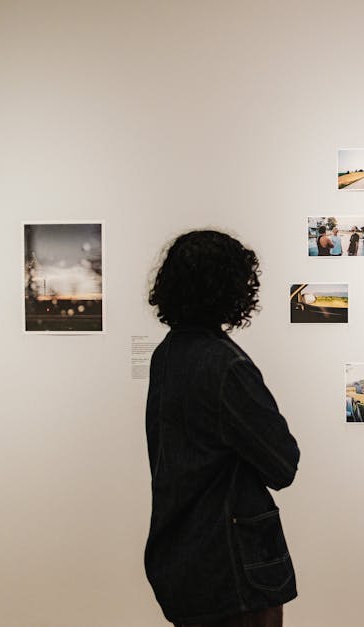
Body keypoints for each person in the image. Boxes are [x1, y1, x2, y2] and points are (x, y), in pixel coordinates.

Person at [146, 230, 300, 627]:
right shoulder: (226, 366)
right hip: (233, 569)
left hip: (181, 560)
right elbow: (283, 464)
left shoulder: (168, 354)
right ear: (232, 288)